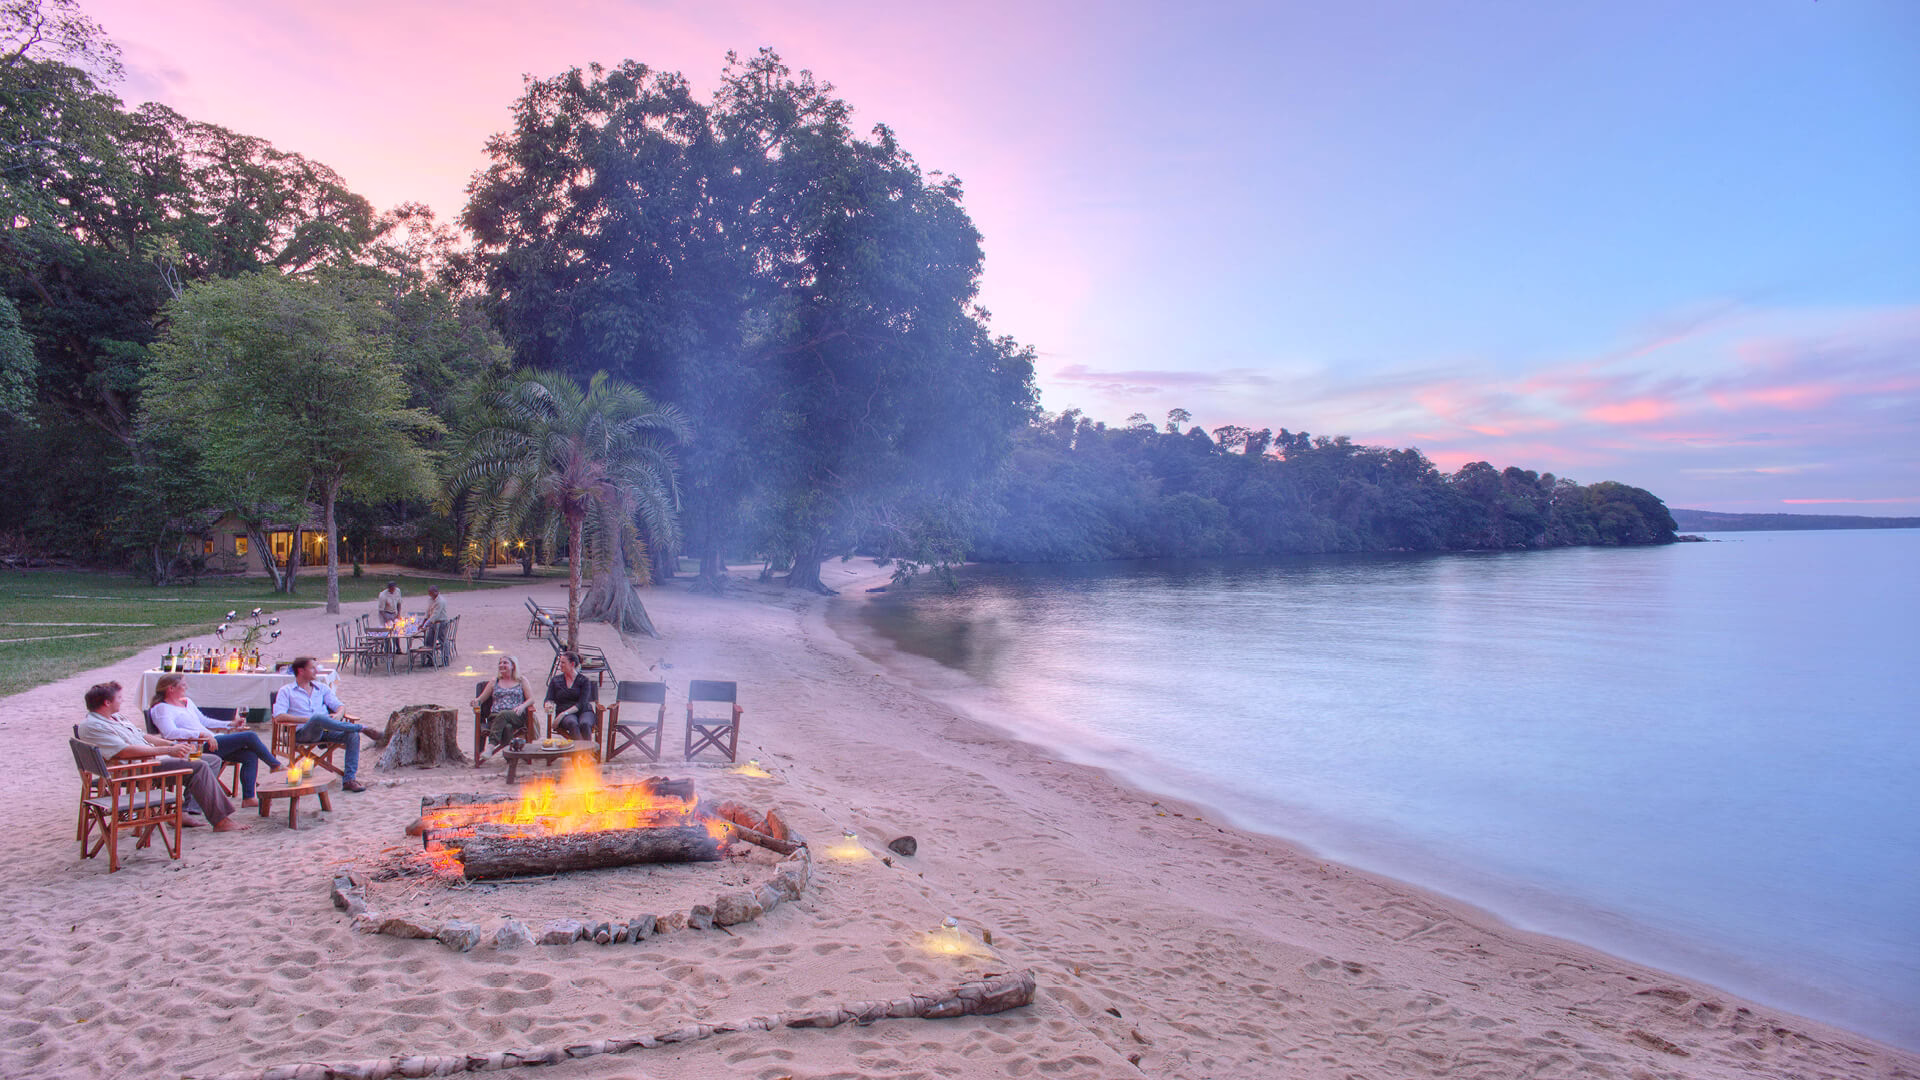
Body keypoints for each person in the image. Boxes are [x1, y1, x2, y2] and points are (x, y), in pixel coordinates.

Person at [78, 681, 242, 831]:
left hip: (151, 760)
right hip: (137, 768)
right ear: (107, 703)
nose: (122, 700)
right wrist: (167, 752)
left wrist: (170, 745)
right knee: (198, 766)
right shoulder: (94, 726)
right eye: (119, 698)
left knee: (211, 760)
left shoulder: (116, 717)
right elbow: (124, 751)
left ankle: (187, 810)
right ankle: (220, 821)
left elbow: (142, 736)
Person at [148, 673, 281, 806]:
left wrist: (230, 724)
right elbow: (170, 732)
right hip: (195, 747)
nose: (186, 687)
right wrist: (199, 735)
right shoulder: (161, 709)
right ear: (171, 688)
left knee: (249, 755)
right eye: (183, 685)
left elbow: (204, 721)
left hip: (212, 741)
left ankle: (248, 798)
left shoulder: (186, 702)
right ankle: (275, 766)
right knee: (249, 736)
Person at [273, 657, 386, 792]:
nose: (316, 671)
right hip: (301, 733)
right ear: (301, 671)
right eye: (312, 668)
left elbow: (340, 706)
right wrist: (308, 720)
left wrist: (338, 715)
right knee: (318, 718)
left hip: (326, 731)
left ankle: (349, 780)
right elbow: (279, 716)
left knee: (352, 735)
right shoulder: (286, 691)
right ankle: (362, 728)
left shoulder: (321, 688)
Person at [472, 656, 533, 765]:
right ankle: (509, 757)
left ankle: (490, 747)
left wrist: (523, 706)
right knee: (507, 727)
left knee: (504, 714)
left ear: (513, 665)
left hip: (516, 715)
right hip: (495, 717)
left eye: (505, 663)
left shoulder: (521, 680)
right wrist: (475, 702)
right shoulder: (494, 681)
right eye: (500, 663)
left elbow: (531, 699)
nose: (501, 665)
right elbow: (481, 699)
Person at [546, 652, 596, 741]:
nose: (560, 665)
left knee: (584, 723)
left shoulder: (584, 681)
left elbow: (581, 704)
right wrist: (548, 704)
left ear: (572, 664)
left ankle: (583, 752)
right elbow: (549, 698)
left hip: (584, 710)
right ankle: (584, 752)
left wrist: (563, 714)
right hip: (565, 712)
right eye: (560, 662)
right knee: (572, 723)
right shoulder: (555, 680)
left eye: (563, 662)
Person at [420, 585, 449, 664]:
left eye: (431, 592)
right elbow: (428, 612)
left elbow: (435, 615)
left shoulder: (440, 601)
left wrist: (426, 624)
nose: (429, 594)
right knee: (429, 641)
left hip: (441, 622)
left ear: (435, 592)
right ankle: (430, 660)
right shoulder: (430, 600)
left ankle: (445, 660)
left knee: (442, 641)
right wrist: (423, 622)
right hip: (433, 623)